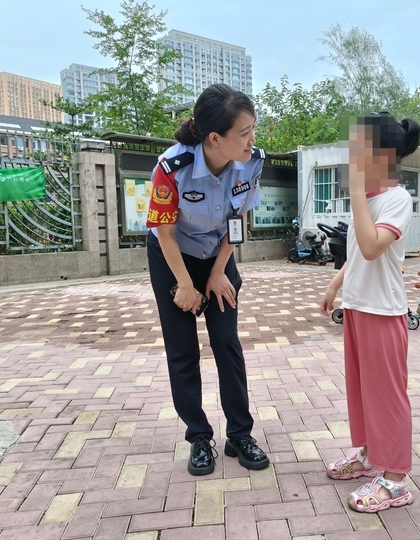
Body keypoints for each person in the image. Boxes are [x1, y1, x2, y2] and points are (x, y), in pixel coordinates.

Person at [145, 83, 269, 476]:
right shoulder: (171, 167)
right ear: (215, 138)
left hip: (218, 254)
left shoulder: (251, 162)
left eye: (254, 130)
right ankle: (199, 437)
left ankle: (240, 434)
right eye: (244, 133)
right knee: (182, 349)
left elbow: (238, 220)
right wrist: (185, 284)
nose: (252, 140)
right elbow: (163, 232)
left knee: (226, 342)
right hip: (173, 257)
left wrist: (218, 272)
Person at [320, 112, 420, 513]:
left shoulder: (396, 199)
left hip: (383, 312)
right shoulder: (370, 198)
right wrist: (334, 285)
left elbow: (372, 246)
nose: (352, 157)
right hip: (358, 307)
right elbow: (357, 257)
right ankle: (367, 455)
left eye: (359, 149)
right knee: (362, 393)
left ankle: (395, 479)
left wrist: (359, 194)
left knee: (388, 397)